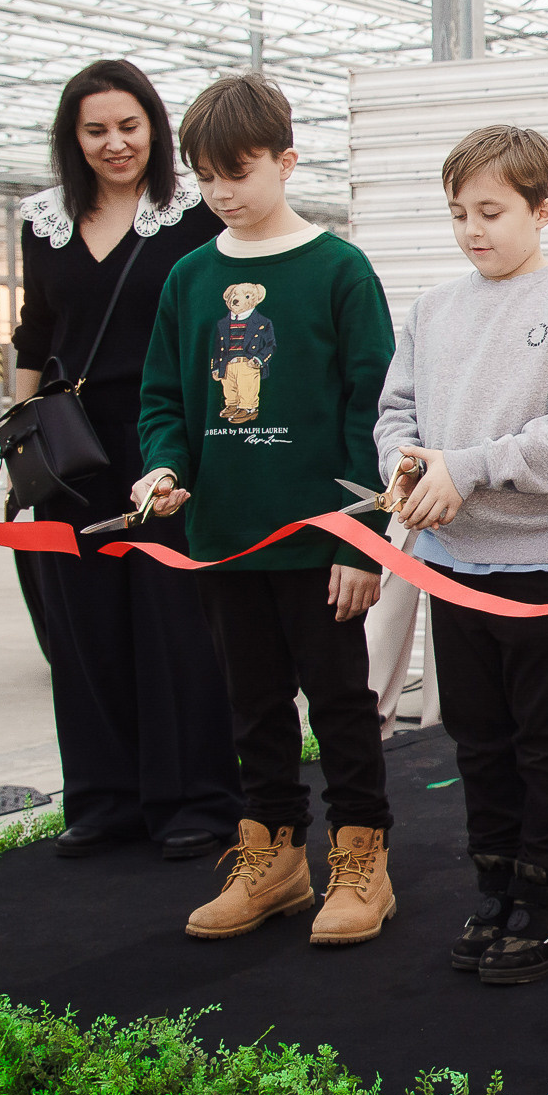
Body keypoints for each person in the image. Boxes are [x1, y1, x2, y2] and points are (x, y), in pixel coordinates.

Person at [131, 74, 400, 947]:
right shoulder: (188, 277)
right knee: (251, 706)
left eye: (238, 172)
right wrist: (164, 465)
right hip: (223, 541)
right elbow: (164, 397)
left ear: (286, 161)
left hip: (323, 545)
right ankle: (274, 857)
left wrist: (364, 538)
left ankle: (361, 860)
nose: (221, 194)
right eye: (205, 177)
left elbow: (378, 410)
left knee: (342, 703)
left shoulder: (338, 269)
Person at [372, 124, 548, 986]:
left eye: (491, 211)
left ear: (542, 209)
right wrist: (405, 467)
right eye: (458, 213)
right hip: (454, 559)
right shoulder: (432, 309)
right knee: (477, 736)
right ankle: (497, 889)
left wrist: (466, 468)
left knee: (545, 739)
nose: (472, 229)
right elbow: (395, 412)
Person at [10, 59, 238, 864]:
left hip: (166, 437)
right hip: (72, 446)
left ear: (155, 127)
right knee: (82, 623)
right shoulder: (44, 221)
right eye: (96, 129)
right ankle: (104, 798)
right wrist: (19, 435)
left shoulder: (190, 214)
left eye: (129, 126)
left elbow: (220, 327)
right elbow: (35, 334)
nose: (115, 143)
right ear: (73, 139)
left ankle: (195, 799)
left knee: (174, 620)